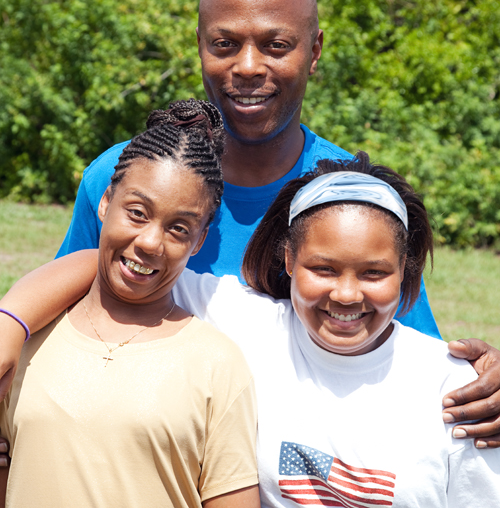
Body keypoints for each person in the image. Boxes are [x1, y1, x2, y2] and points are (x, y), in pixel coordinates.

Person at [1, 0, 500, 452]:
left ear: (315, 50)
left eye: (276, 45)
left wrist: (480, 377)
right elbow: (73, 286)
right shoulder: (130, 178)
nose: (246, 66)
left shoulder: (351, 202)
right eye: (224, 44)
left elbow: (410, 352)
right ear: (200, 47)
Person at [4, 152, 500, 507]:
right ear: (289, 259)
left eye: (373, 273)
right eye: (323, 269)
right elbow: (113, 262)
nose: (347, 295)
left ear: (404, 267)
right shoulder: (245, 321)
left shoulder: (457, 391)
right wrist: (7, 329)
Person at [0, 100, 260, 508]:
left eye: (179, 229)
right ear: (105, 204)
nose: (150, 242)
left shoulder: (218, 364)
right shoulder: (28, 338)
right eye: (137, 213)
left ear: (200, 241)